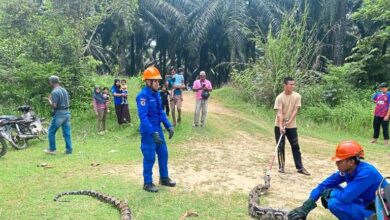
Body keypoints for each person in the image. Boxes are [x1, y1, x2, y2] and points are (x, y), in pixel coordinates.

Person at [288, 140, 388, 220]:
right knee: (329, 190)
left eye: (339, 161)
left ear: (351, 162)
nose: (336, 163)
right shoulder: (347, 171)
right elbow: (323, 186)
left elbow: (346, 197)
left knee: (334, 203)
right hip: (364, 204)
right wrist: (307, 205)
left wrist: (331, 192)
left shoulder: (367, 173)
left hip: (379, 212)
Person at [136, 66, 176, 193]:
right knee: (149, 157)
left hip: (158, 129)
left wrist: (168, 125)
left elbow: (161, 112)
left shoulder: (157, 94)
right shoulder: (142, 96)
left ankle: (164, 178)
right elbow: (143, 116)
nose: (158, 83)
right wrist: (152, 132)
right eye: (156, 81)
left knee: (164, 153)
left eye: (158, 81)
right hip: (148, 132)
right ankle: (147, 183)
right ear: (148, 81)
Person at [274, 76, 310, 175]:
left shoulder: (297, 96)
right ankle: (281, 166)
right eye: (290, 84)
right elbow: (279, 112)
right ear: (285, 85)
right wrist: (281, 125)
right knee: (280, 146)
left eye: (293, 84)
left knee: (295, 146)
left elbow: (295, 110)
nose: (292, 86)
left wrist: (289, 121)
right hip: (279, 125)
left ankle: (300, 168)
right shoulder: (279, 98)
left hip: (292, 125)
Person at [44, 75, 73, 155]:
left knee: (51, 131)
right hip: (67, 112)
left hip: (59, 114)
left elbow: (54, 105)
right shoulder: (64, 90)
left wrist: (49, 100)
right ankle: (69, 150)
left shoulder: (54, 92)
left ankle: (52, 149)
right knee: (67, 133)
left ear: (51, 82)